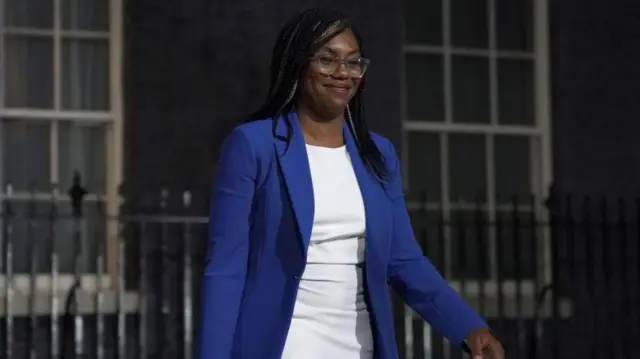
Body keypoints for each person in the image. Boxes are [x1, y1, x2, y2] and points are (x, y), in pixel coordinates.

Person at [198, 7, 504, 359]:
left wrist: (469, 327)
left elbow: (403, 260)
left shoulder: (378, 154)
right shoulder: (253, 145)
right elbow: (226, 267)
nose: (343, 73)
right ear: (297, 64)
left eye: (353, 62)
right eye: (327, 60)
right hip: (284, 345)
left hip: (361, 345)